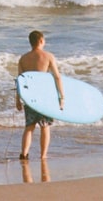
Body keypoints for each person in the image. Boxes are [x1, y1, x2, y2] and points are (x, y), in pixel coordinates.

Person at [16, 30, 64, 160]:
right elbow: (57, 77)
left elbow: (19, 81)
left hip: (29, 97)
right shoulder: (48, 56)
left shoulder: (23, 59)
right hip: (45, 97)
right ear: (41, 41)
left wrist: (18, 100)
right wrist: (62, 97)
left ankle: (24, 154)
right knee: (45, 126)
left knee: (29, 127)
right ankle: (43, 156)